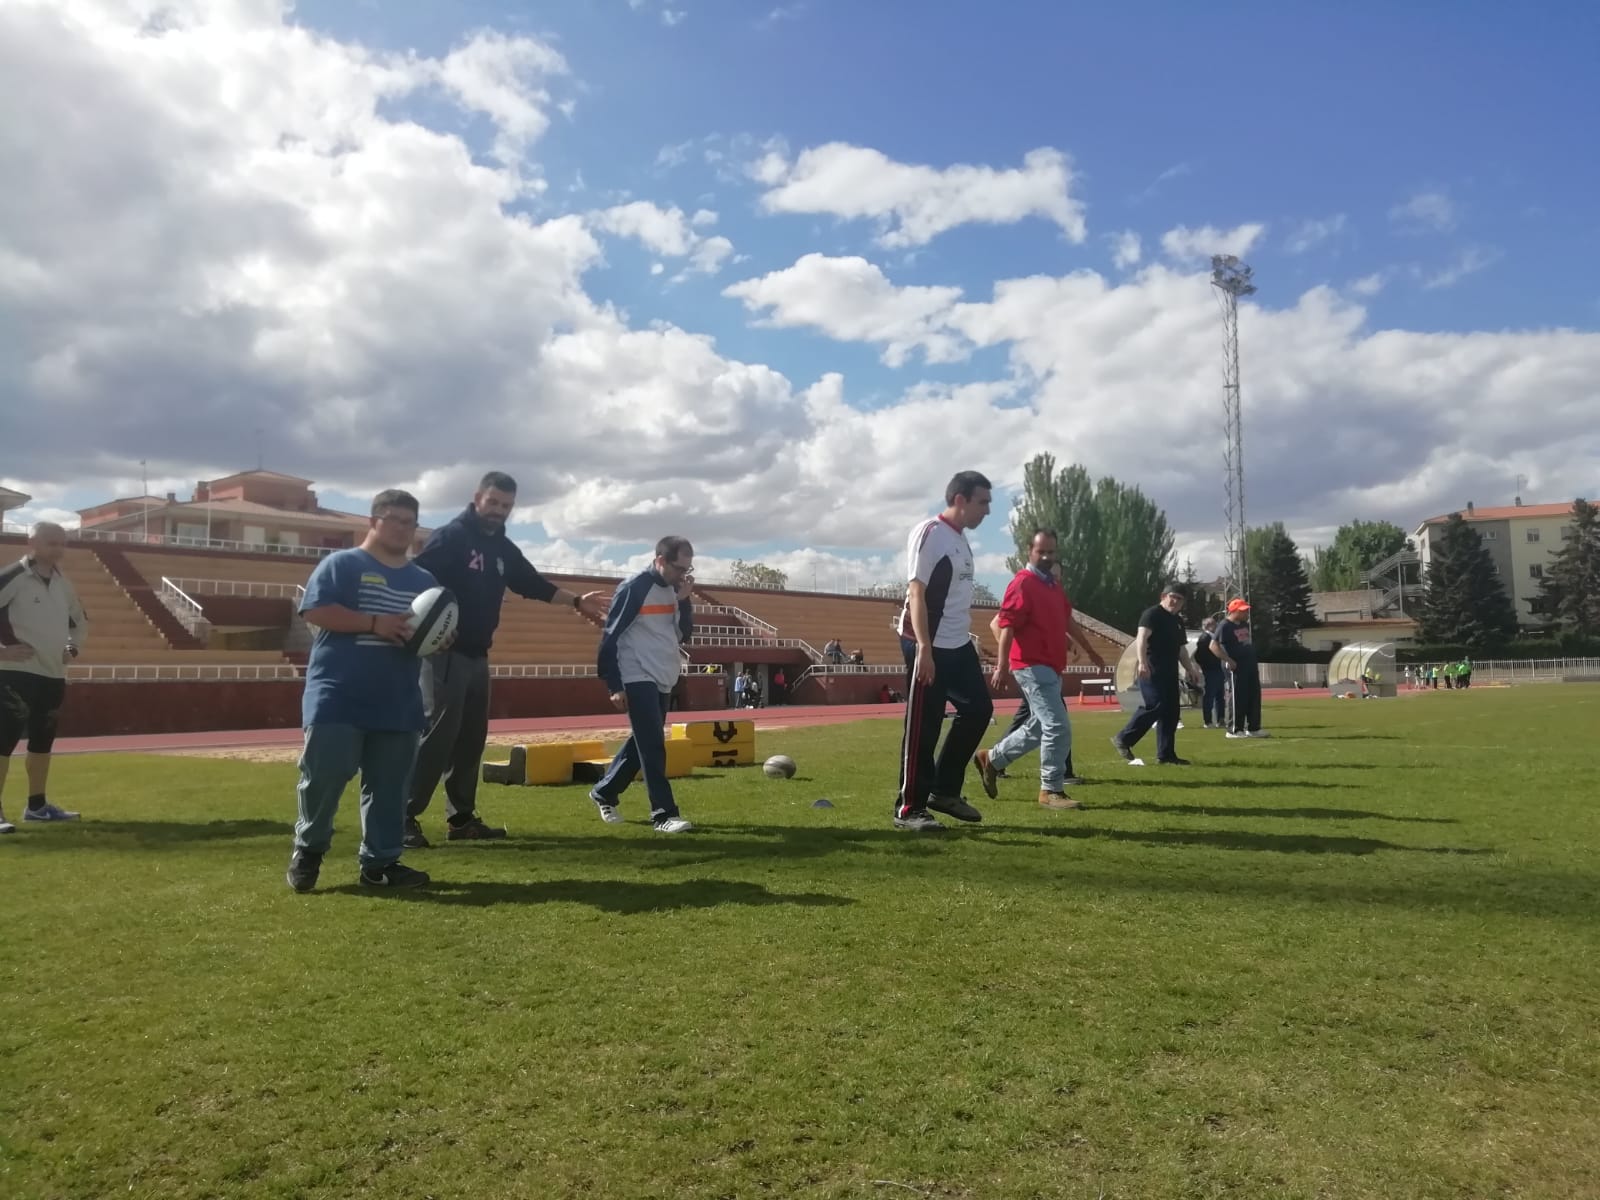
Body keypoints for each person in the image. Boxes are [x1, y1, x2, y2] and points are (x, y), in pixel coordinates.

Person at [404, 471, 608, 849]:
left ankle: (461, 819)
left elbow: (530, 583)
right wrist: (423, 629)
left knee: (471, 740)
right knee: (437, 737)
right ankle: (403, 816)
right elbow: (416, 580)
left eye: (507, 506)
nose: (499, 511)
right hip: (444, 654)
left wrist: (577, 601)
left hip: (479, 654)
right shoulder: (452, 537)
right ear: (477, 497)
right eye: (494, 502)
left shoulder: (501, 546)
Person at [286, 490, 441, 892]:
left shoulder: (423, 581)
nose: (404, 528)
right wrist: (375, 623)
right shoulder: (342, 564)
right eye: (395, 519)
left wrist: (441, 635)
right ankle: (309, 851)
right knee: (324, 779)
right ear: (373, 521)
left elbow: (431, 629)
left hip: (399, 701)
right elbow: (315, 611)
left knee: (390, 789)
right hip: (338, 695)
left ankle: (380, 864)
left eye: (411, 522)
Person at [892, 470, 994, 830]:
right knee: (924, 724)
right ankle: (909, 809)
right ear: (960, 500)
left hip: (957, 643)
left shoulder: (961, 541)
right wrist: (923, 647)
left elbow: (955, 599)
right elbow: (917, 592)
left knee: (979, 709)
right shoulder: (930, 534)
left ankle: (944, 790)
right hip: (927, 643)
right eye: (983, 502)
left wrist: (970, 639)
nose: (988, 511)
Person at [971, 529, 1100, 810]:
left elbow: (1067, 620)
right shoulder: (1022, 584)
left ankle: (991, 758)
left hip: (1051, 666)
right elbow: (1005, 625)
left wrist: (1090, 650)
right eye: (1041, 551)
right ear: (1029, 551)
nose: (1046, 557)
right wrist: (1002, 665)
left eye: (1051, 552)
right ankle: (1051, 790)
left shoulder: (1052, 585)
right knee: (1058, 726)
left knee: (1040, 726)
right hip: (1030, 665)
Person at [589, 536, 697, 833]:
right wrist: (613, 684)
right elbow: (610, 637)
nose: (683, 575)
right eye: (678, 568)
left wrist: (685, 602)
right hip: (636, 672)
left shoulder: (676, 590)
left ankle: (605, 792)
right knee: (652, 744)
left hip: (663, 672)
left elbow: (683, 634)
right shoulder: (634, 587)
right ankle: (663, 814)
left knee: (642, 742)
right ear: (660, 561)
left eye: (688, 569)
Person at [0, 523, 87, 832]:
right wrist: (2, 651)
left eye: (62, 543)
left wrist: (71, 647)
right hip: (14, 674)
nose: (58, 549)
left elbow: (78, 622)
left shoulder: (64, 584)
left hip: (52, 674)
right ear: (32, 542)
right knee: (3, 742)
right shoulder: (12, 577)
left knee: (42, 742)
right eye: (51, 543)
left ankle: (36, 807)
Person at [1110, 584, 1202, 765]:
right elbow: (1142, 638)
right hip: (1152, 667)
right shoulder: (1152, 614)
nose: (1175, 601)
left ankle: (1166, 755)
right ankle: (1124, 738)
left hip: (1170, 670)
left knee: (1171, 713)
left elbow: (1181, 649)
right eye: (1172, 597)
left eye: (1179, 599)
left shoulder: (1177, 621)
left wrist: (1190, 668)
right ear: (1163, 596)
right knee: (1155, 705)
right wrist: (1142, 662)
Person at [1213, 598, 1268, 738]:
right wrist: (1228, 660)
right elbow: (1213, 646)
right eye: (1243, 611)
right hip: (1235, 667)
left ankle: (1254, 727)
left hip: (1249, 665)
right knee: (1237, 697)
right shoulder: (1224, 626)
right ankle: (1234, 729)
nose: (1246, 613)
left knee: (1253, 696)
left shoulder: (1243, 624)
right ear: (1235, 611)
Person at [1193, 617, 1226, 728]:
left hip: (1218, 669)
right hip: (1211, 670)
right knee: (1210, 696)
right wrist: (1206, 666)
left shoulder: (1214, 638)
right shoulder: (1204, 638)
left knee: (1220, 696)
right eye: (1212, 624)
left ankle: (1221, 719)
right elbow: (1199, 656)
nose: (1215, 626)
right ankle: (1208, 721)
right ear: (1206, 626)